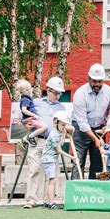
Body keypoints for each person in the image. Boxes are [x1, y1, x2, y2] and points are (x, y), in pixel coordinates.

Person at [24, 76, 67, 209]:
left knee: (50, 172)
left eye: (60, 93)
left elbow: (64, 124)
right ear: (48, 90)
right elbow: (24, 118)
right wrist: (27, 126)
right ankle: (31, 199)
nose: (58, 96)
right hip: (37, 141)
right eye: (56, 93)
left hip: (52, 144)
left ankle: (47, 199)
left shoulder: (61, 107)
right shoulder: (35, 103)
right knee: (34, 169)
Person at [71, 63, 110, 180]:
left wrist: (108, 123)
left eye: (99, 81)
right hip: (80, 129)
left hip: (99, 128)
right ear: (89, 78)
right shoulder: (80, 94)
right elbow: (82, 123)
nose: (97, 84)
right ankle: (76, 189)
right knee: (78, 159)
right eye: (94, 81)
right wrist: (95, 139)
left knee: (98, 161)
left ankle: (94, 189)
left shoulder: (108, 92)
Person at [41, 111, 77, 209]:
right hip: (48, 159)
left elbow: (60, 143)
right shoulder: (54, 134)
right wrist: (72, 157)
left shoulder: (58, 132)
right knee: (52, 180)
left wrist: (65, 133)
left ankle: (49, 201)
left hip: (52, 159)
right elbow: (59, 150)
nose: (63, 127)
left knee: (52, 180)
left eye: (65, 125)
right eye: (62, 125)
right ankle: (51, 202)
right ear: (56, 122)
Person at [16, 79, 48, 146]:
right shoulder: (26, 99)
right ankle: (30, 137)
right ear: (22, 92)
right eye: (26, 90)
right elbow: (24, 110)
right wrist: (33, 115)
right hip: (30, 119)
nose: (29, 91)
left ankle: (25, 139)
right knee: (44, 127)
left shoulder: (27, 99)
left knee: (40, 127)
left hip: (29, 119)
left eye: (29, 89)